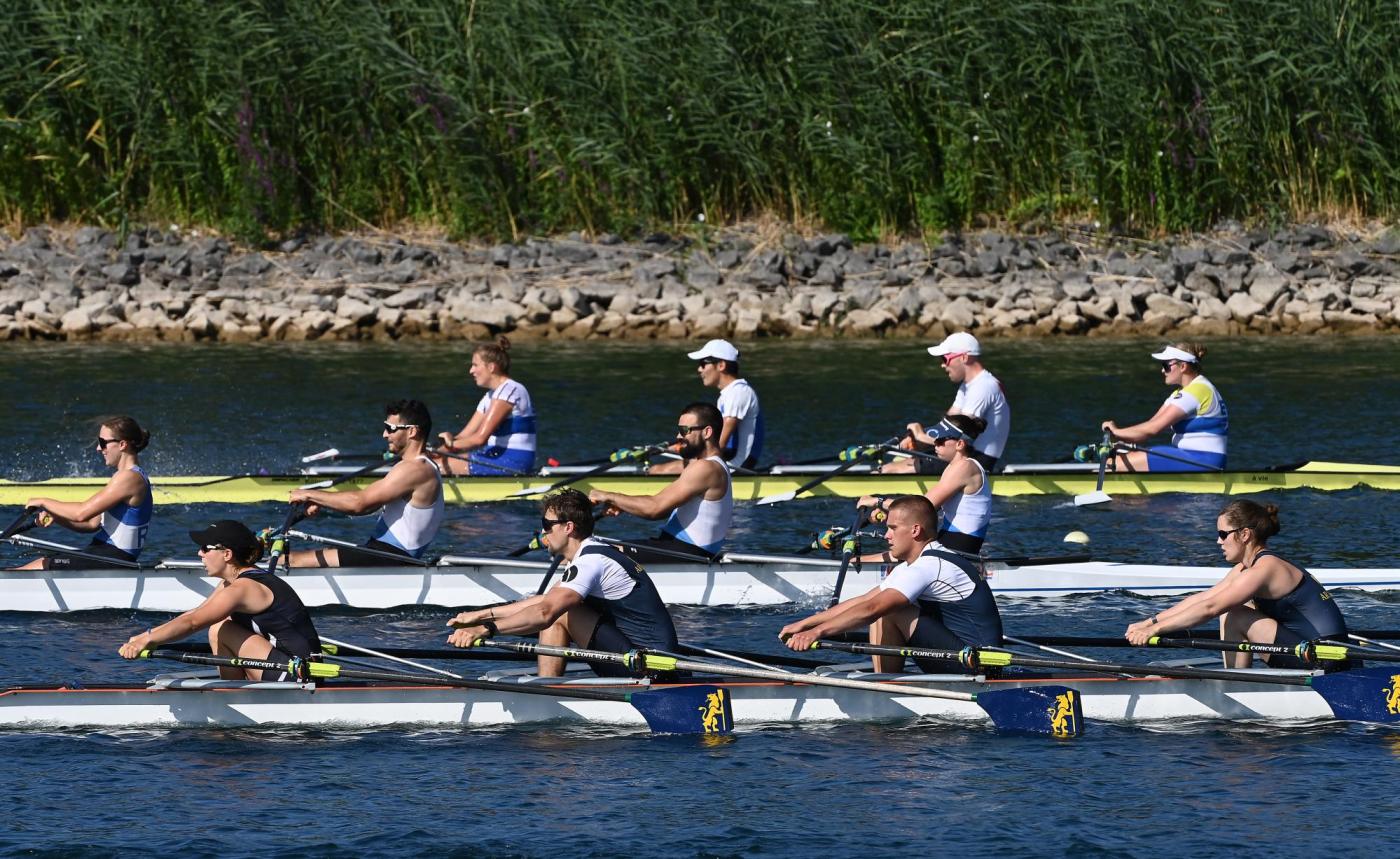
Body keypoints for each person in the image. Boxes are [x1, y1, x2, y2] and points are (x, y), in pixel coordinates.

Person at [445, 489, 678, 677]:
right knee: (556, 608)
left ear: (568, 527)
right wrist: (480, 615)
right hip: (637, 657)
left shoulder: (590, 562)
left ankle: (546, 693)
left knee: (559, 613)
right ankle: (547, 686)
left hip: (650, 667)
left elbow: (545, 612)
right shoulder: (590, 554)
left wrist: (487, 630)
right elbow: (543, 601)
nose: (543, 532)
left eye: (547, 525)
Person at [780, 496, 1003, 673]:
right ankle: (885, 681)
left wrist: (817, 632)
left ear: (915, 530)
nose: (886, 536)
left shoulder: (929, 566)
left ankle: (885, 686)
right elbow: (864, 600)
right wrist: (804, 625)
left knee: (888, 609)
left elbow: (872, 608)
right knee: (882, 604)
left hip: (981, 664)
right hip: (958, 655)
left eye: (893, 528)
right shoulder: (913, 565)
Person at [1125, 500, 1354, 669]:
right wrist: (1148, 622)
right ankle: (1237, 676)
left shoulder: (1264, 569)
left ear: (1244, 535)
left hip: (1327, 659)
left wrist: (1154, 631)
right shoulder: (1246, 568)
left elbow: (1210, 608)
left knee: (1232, 612)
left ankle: (1235, 683)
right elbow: (1203, 598)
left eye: (1223, 534)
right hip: (1312, 651)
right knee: (1232, 608)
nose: (1218, 541)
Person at [118, 520, 321, 681]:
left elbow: (193, 623)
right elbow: (193, 614)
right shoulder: (230, 583)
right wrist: (144, 636)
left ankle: (230, 694)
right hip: (285, 666)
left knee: (221, 629)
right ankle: (233, 689)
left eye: (206, 548)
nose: (199, 553)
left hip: (300, 673)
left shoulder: (243, 588)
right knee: (219, 627)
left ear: (227, 554)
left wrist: (149, 641)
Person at [287, 399, 444, 567]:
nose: (384, 435)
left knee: (292, 560)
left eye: (390, 428)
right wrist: (322, 501)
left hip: (391, 558)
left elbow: (359, 504)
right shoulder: (418, 466)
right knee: (315, 553)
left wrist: (309, 494)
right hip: (384, 554)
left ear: (412, 431)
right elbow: (369, 506)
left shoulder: (415, 469)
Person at [589, 402, 733, 564]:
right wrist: (623, 504)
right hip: (675, 548)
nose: (678, 436)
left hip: (686, 553)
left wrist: (607, 496)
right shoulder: (712, 465)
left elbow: (654, 509)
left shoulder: (706, 467)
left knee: (592, 552)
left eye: (684, 430)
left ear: (707, 432)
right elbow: (663, 508)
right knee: (595, 547)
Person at [13, 416, 152, 570]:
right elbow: (91, 524)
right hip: (104, 553)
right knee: (41, 563)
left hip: (114, 556)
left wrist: (43, 502)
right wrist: (56, 516)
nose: (98, 448)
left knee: (42, 564)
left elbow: (81, 513)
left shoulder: (129, 478)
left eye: (102, 442)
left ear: (122, 444)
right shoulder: (124, 477)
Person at [858, 414, 992, 555]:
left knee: (885, 556)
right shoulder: (954, 466)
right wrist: (888, 511)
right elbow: (925, 509)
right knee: (895, 547)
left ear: (960, 444)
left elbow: (920, 507)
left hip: (958, 549)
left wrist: (877, 501)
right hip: (950, 541)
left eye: (940, 440)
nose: (935, 444)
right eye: (935, 440)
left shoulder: (965, 467)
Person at [883, 332, 1009, 475]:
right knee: (898, 459)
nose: (942, 365)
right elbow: (946, 426)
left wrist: (921, 436)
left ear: (964, 357)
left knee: (888, 470)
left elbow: (958, 434)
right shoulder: (969, 386)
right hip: (963, 453)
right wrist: (914, 439)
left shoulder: (983, 387)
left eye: (945, 359)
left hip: (977, 460)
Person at [1099, 342, 1228, 472]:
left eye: (1166, 366)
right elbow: (1149, 426)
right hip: (1191, 456)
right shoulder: (1181, 393)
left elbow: (1152, 429)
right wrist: (1119, 437)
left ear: (1183, 366)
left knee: (1110, 465)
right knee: (1119, 459)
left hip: (1204, 460)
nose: (1162, 370)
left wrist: (1116, 431)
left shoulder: (1197, 391)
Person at [650, 339, 763, 474]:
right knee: (658, 468)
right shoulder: (728, 394)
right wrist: (673, 447)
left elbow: (719, 443)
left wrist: (686, 452)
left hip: (737, 466)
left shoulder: (738, 392)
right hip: (728, 459)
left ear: (721, 365)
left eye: (703, 364)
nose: (699, 369)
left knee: (657, 471)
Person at [436, 337, 536, 476]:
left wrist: (446, 448)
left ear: (491, 367)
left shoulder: (510, 390)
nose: (471, 370)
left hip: (513, 461)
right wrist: (436, 450)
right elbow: (465, 436)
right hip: (494, 455)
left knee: (433, 467)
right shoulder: (490, 396)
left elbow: (479, 439)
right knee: (432, 462)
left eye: (475, 365)